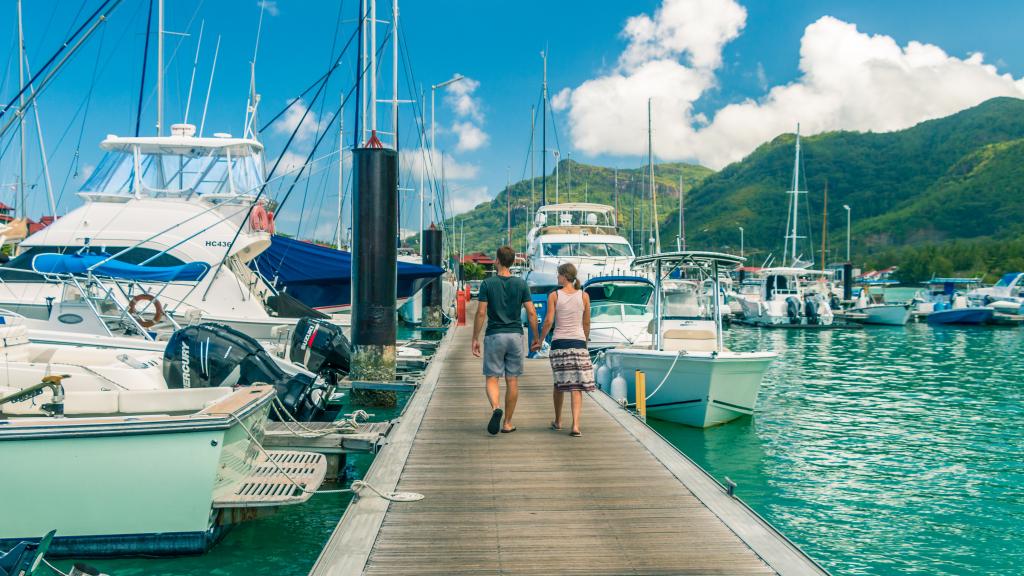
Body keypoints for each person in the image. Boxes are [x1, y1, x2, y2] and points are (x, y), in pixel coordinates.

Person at [472, 246, 541, 435]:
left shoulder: (488, 283)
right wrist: (536, 337)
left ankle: (496, 408)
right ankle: (508, 423)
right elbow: (532, 312)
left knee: (492, 377)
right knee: (512, 380)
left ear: (498, 261)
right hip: (515, 335)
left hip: (494, 335)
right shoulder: (521, 284)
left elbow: (480, 313)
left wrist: (475, 338)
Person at [538, 262, 595, 437]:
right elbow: (586, 323)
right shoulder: (584, 296)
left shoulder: (554, 295)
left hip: (559, 344)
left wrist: (540, 340)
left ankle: (558, 421)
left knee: (559, 384)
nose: (557, 278)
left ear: (564, 276)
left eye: (558, 275)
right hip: (578, 344)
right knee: (576, 386)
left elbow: (548, 321)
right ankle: (576, 425)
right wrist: (584, 341)